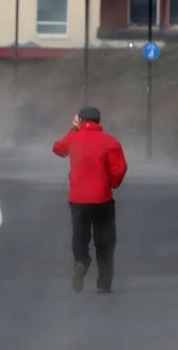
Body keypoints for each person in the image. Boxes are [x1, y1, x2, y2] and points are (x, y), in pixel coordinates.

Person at [52, 106, 128, 294]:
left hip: (78, 199)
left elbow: (58, 150)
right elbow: (119, 169)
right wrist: (112, 183)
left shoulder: (73, 138)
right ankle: (103, 283)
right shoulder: (110, 142)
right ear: (98, 121)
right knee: (105, 241)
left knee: (80, 236)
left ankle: (81, 262)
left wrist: (72, 129)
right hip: (102, 198)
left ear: (80, 120)